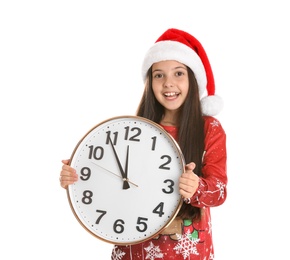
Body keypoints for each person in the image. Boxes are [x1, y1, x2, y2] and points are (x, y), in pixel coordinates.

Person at [59, 28, 227, 260]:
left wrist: (196, 187)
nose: (168, 83)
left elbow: (219, 191)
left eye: (178, 73)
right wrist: (77, 175)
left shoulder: (209, 128)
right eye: (159, 75)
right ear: (150, 81)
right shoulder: (133, 130)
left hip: (188, 251)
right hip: (134, 249)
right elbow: (113, 176)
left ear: (193, 79)